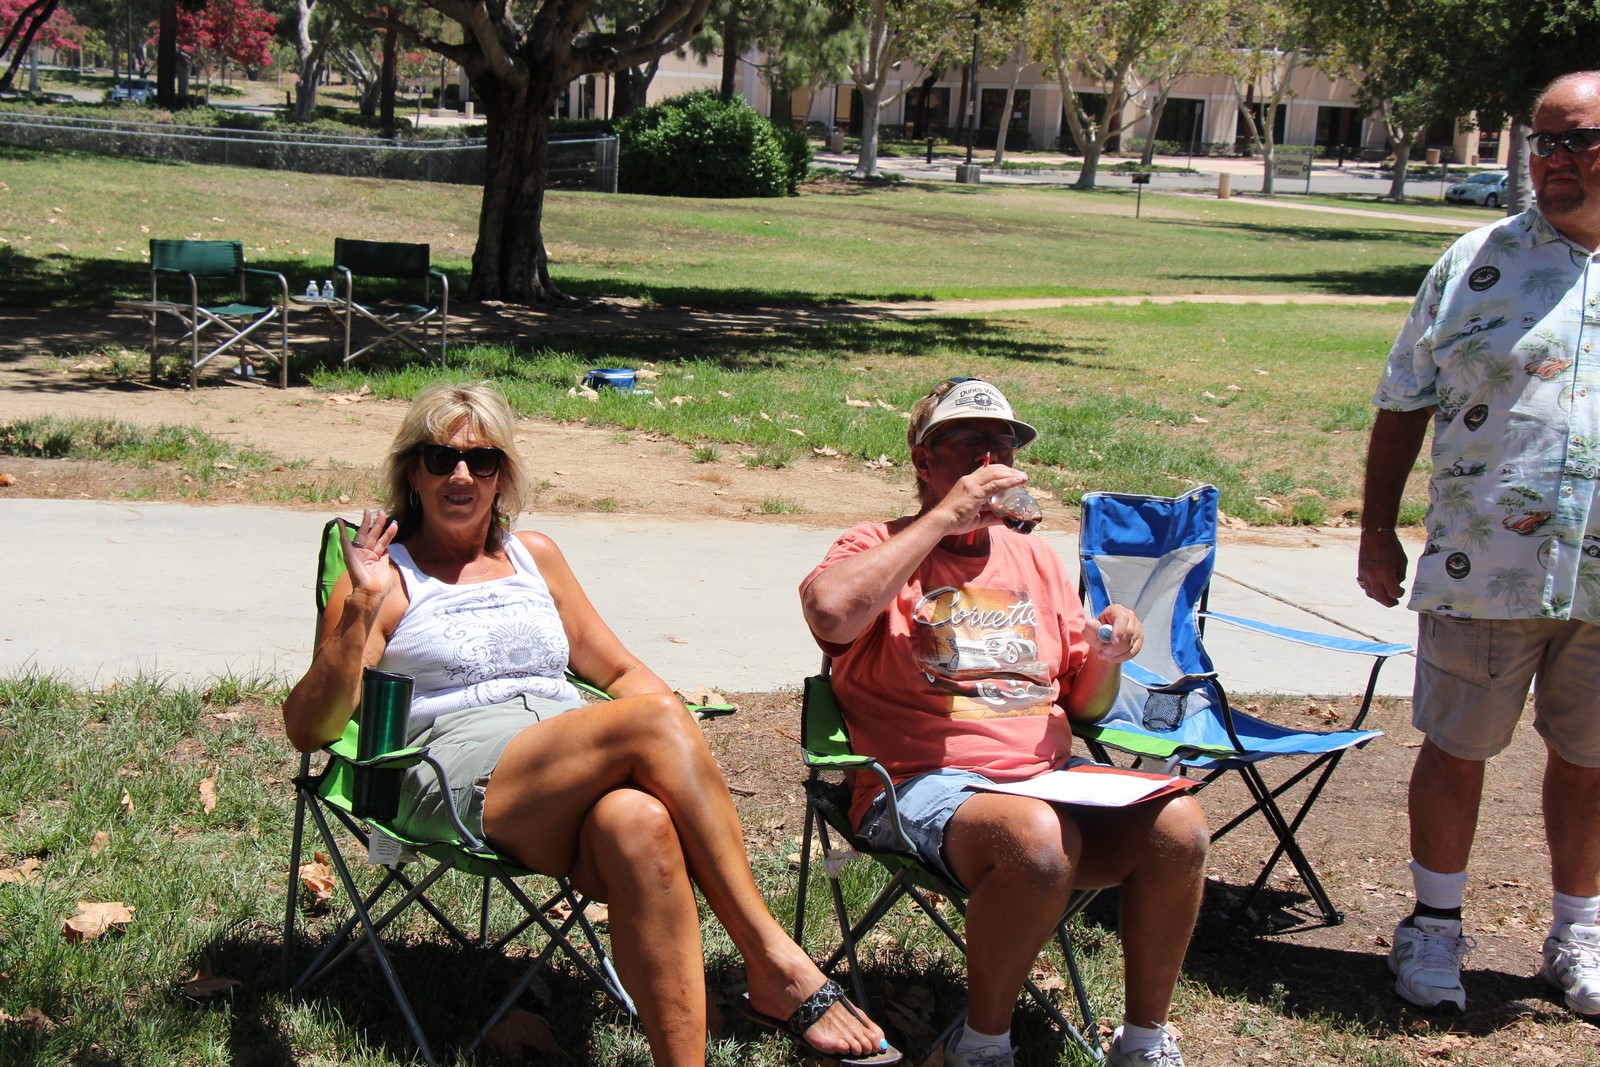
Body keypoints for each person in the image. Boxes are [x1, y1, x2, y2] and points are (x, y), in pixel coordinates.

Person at [284, 382, 900, 1067]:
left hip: (566, 766)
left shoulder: (534, 556)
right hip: (454, 777)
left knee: (639, 822)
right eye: (440, 457)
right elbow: (311, 727)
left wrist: (676, 753)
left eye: (481, 460)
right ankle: (774, 960)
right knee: (653, 722)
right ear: (411, 471)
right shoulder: (382, 575)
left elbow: (621, 673)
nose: (461, 475)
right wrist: (361, 612)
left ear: (503, 475)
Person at [799, 377, 1209, 1067]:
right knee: (1035, 839)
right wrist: (942, 520)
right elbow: (831, 613)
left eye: (1002, 443)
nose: (989, 458)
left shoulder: (1036, 560)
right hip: (919, 784)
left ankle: (1142, 1042)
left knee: (1180, 827)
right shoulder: (879, 544)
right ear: (922, 459)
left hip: (1048, 780)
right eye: (964, 442)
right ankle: (981, 1044)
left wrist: (1109, 653)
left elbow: (1085, 706)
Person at [1358, 69, 1600, 1017]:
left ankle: (1578, 932)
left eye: (1576, 139)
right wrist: (1377, 531)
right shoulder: (1474, 263)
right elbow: (1400, 403)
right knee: (1456, 746)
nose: (1554, 160)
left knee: (1590, 758)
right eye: (1541, 142)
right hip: (1480, 561)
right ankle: (1433, 928)